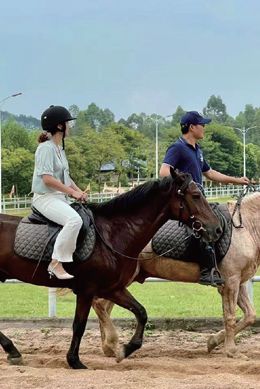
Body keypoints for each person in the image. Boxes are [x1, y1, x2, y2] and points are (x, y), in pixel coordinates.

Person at [159, 111, 250, 286]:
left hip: (198, 202)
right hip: (185, 202)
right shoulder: (177, 148)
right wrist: (184, 184)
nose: (204, 127)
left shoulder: (197, 150)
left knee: (219, 221)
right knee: (203, 227)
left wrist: (236, 180)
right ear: (192, 127)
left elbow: (209, 173)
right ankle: (205, 271)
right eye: (202, 124)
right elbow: (164, 172)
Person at [31, 105, 87, 280]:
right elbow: (47, 179)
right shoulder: (46, 148)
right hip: (45, 198)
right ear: (60, 126)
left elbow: (65, 178)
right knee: (74, 220)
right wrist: (72, 193)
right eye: (67, 124)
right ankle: (55, 263)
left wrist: (79, 192)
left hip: (59, 197)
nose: (69, 127)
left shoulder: (59, 149)